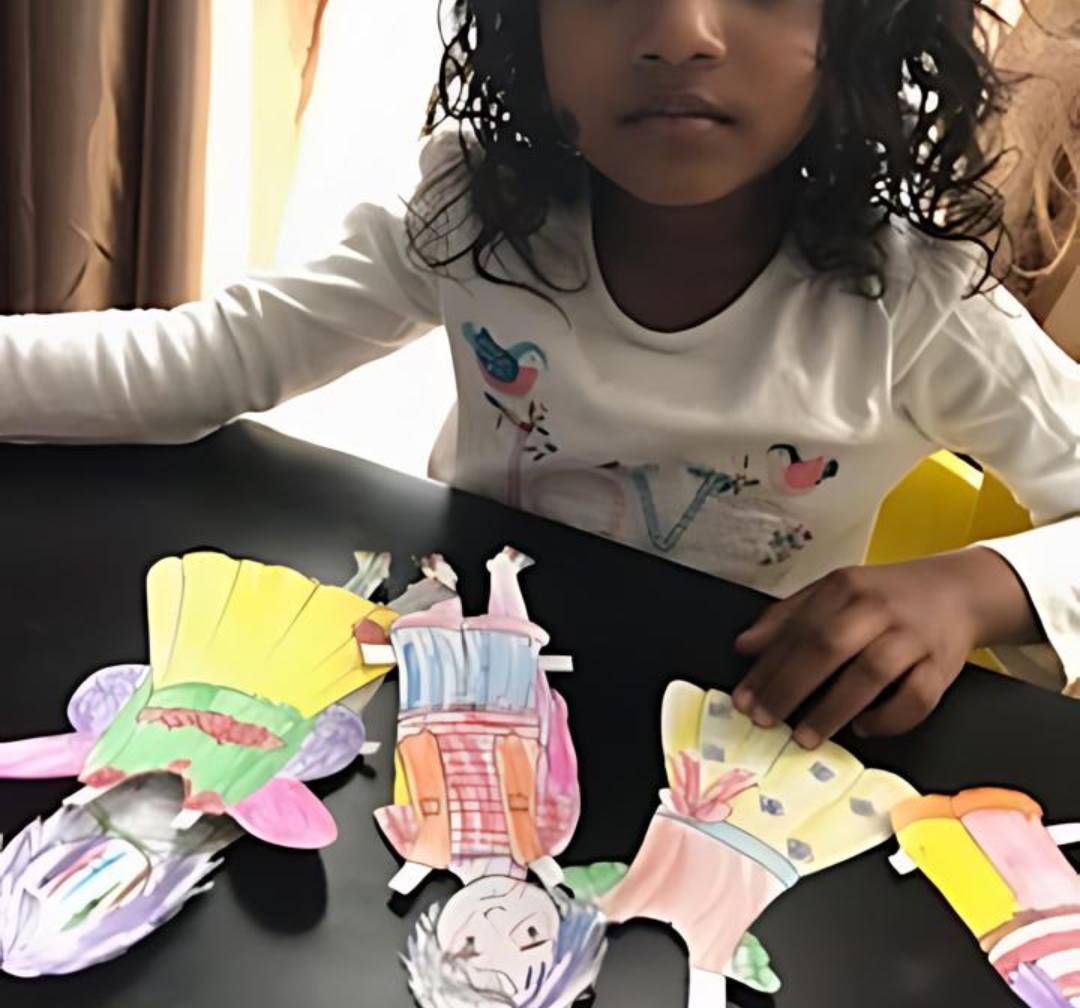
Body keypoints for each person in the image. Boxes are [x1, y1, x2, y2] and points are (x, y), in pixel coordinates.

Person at [1, 1, 1077, 750]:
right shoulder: (475, 216)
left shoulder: (920, 304)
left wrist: (973, 590)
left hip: (736, 738)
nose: (681, 32)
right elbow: (209, 360)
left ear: (860, 29)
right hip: (453, 694)